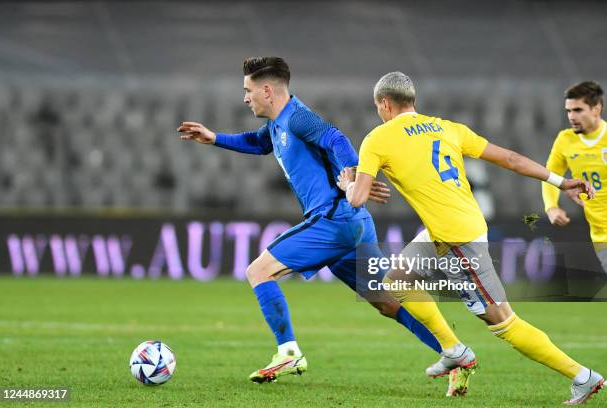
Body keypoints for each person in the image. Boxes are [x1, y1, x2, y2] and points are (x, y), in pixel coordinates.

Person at [339, 71, 603, 404]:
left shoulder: (378, 138)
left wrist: (347, 184)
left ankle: (583, 377)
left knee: (502, 321)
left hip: (457, 239)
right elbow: (510, 158)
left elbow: (357, 199)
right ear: (412, 101)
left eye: (378, 106)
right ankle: (454, 350)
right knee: (396, 280)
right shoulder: (448, 128)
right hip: (453, 226)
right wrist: (559, 181)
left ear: (384, 103)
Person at [177, 57, 443, 385]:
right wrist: (214, 137)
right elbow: (258, 143)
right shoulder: (277, 124)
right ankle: (452, 351)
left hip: (333, 220)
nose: (245, 98)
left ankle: (288, 352)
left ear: (267, 90)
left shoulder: (298, 117)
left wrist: (356, 176)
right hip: (353, 224)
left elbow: (336, 139)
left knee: (258, 271)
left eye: (248, 91)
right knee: (388, 302)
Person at [543, 81, 607, 273]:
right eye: (568, 111)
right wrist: (551, 207)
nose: (572, 117)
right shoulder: (565, 140)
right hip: (601, 235)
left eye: (578, 110)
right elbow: (550, 175)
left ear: (596, 109)